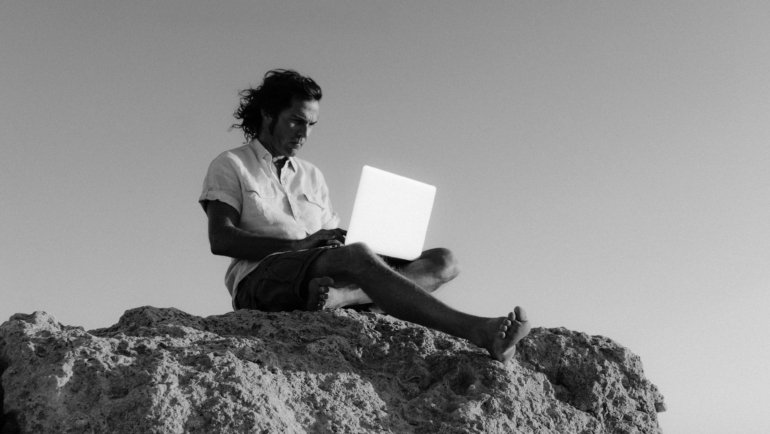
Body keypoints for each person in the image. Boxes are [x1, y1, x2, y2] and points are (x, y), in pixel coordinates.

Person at [200, 69, 530, 363]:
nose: (304, 133)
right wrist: (300, 245)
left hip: (319, 270)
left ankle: (344, 297)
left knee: (444, 261)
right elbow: (221, 238)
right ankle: (477, 330)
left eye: (311, 124)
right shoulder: (231, 164)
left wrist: (365, 236)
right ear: (268, 114)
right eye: (296, 120)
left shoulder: (311, 175)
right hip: (262, 277)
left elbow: (329, 240)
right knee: (357, 257)